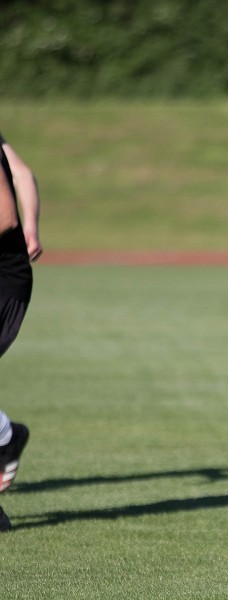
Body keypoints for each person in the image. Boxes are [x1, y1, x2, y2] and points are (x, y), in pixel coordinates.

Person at [0, 132, 42, 531]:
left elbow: (3, 215)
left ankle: (6, 437)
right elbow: (23, 172)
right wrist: (33, 227)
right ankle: (6, 436)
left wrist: (24, 224)